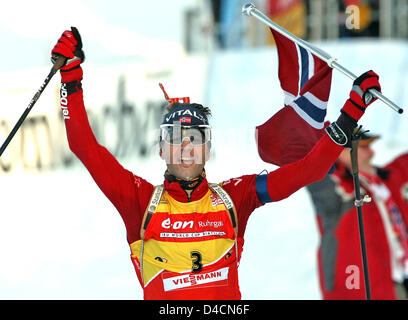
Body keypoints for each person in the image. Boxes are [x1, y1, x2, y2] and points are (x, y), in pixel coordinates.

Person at [50, 27, 382, 300]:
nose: (185, 148)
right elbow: (84, 146)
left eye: (193, 139)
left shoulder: (235, 196)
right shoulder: (139, 200)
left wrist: (350, 113)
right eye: (175, 139)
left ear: (206, 149)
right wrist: (70, 76)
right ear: (162, 150)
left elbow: (307, 171)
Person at [307, 131, 408, 299]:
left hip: (394, 282)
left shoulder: (382, 180)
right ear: (342, 153)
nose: (372, 153)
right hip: (354, 291)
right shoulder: (335, 189)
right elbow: (308, 163)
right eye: (364, 147)